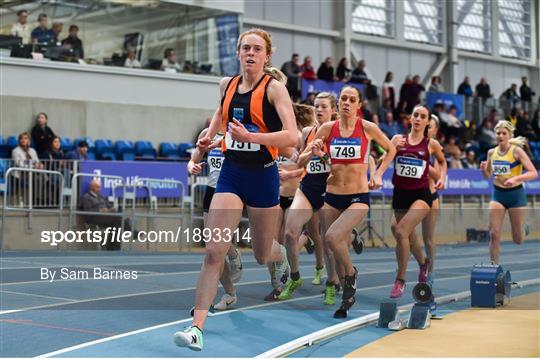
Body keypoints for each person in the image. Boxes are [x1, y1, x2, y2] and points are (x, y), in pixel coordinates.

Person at [174, 28, 297, 351]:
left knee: (260, 253)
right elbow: (221, 110)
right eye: (246, 48)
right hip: (231, 175)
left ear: (267, 56)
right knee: (214, 251)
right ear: (238, 53)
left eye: (257, 49)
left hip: (264, 177)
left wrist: (253, 138)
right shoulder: (226, 84)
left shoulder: (275, 90)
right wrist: (210, 138)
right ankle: (196, 328)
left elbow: (292, 137)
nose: (251, 53)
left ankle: (279, 253)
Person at [309, 86, 396, 317]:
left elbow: (391, 149)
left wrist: (377, 175)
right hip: (333, 194)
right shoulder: (328, 128)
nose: (347, 103)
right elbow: (311, 154)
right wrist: (318, 151)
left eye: (352, 99)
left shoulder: (367, 128)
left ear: (359, 105)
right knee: (334, 247)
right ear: (338, 104)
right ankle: (348, 273)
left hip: (358, 196)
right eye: (343, 99)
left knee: (332, 237)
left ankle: (350, 278)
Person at [278, 93, 338, 303]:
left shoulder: (338, 133)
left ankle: (332, 283)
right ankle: (294, 277)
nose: (319, 110)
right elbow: (302, 161)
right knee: (289, 233)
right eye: (316, 106)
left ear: (333, 110)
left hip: (330, 190)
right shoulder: (307, 131)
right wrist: (311, 152)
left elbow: (341, 168)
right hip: (308, 188)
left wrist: (323, 155)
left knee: (328, 241)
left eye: (323, 107)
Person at [386, 105, 447, 298]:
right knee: (406, 236)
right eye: (416, 115)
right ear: (410, 119)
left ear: (427, 122)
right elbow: (384, 160)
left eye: (423, 116)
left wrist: (441, 178)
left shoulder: (431, 144)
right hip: (400, 194)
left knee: (402, 230)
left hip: (422, 194)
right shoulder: (397, 140)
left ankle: (400, 279)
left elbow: (443, 162)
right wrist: (389, 154)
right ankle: (423, 263)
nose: (419, 119)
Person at [187, 128, 243, 310]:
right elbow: (194, 158)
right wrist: (192, 166)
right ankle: (230, 293)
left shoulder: (238, 130)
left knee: (218, 246)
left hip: (230, 192)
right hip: (211, 192)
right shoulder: (208, 132)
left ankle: (206, 301)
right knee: (212, 250)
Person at [266, 103, 315, 301]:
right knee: (273, 242)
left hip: (295, 195)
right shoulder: (275, 140)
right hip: (276, 195)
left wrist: (290, 173)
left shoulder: (301, 141)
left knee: (287, 238)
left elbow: (309, 169)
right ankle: (276, 283)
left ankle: (284, 280)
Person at [480, 121, 538, 264]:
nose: (500, 135)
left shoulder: (516, 151)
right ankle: (494, 268)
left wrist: (516, 179)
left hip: (516, 195)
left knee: (518, 239)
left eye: (504, 133)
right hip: (498, 194)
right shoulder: (491, 153)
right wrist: (483, 169)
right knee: (494, 234)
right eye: (498, 133)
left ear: (510, 135)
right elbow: (488, 175)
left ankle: (523, 228)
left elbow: (533, 173)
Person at [401, 115, 442, 286]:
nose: (427, 129)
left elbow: (437, 174)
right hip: (409, 195)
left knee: (429, 239)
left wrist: (422, 162)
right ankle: (422, 262)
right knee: (404, 231)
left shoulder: (434, 147)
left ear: (435, 130)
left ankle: (430, 273)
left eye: (431, 126)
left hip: (429, 197)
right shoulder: (410, 143)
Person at [81, 179, 134, 250]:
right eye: (97, 187)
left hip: (106, 216)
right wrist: (100, 210)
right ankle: (132, 232)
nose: (99, 189)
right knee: (118, 220)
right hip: (94, 217)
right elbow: (87, 211)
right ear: (92, 187)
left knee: (117, 223)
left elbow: (108, 206)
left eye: (99, 187)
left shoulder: (101, 196)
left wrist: (111, 209)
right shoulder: (86, 197)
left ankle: (113, 248)